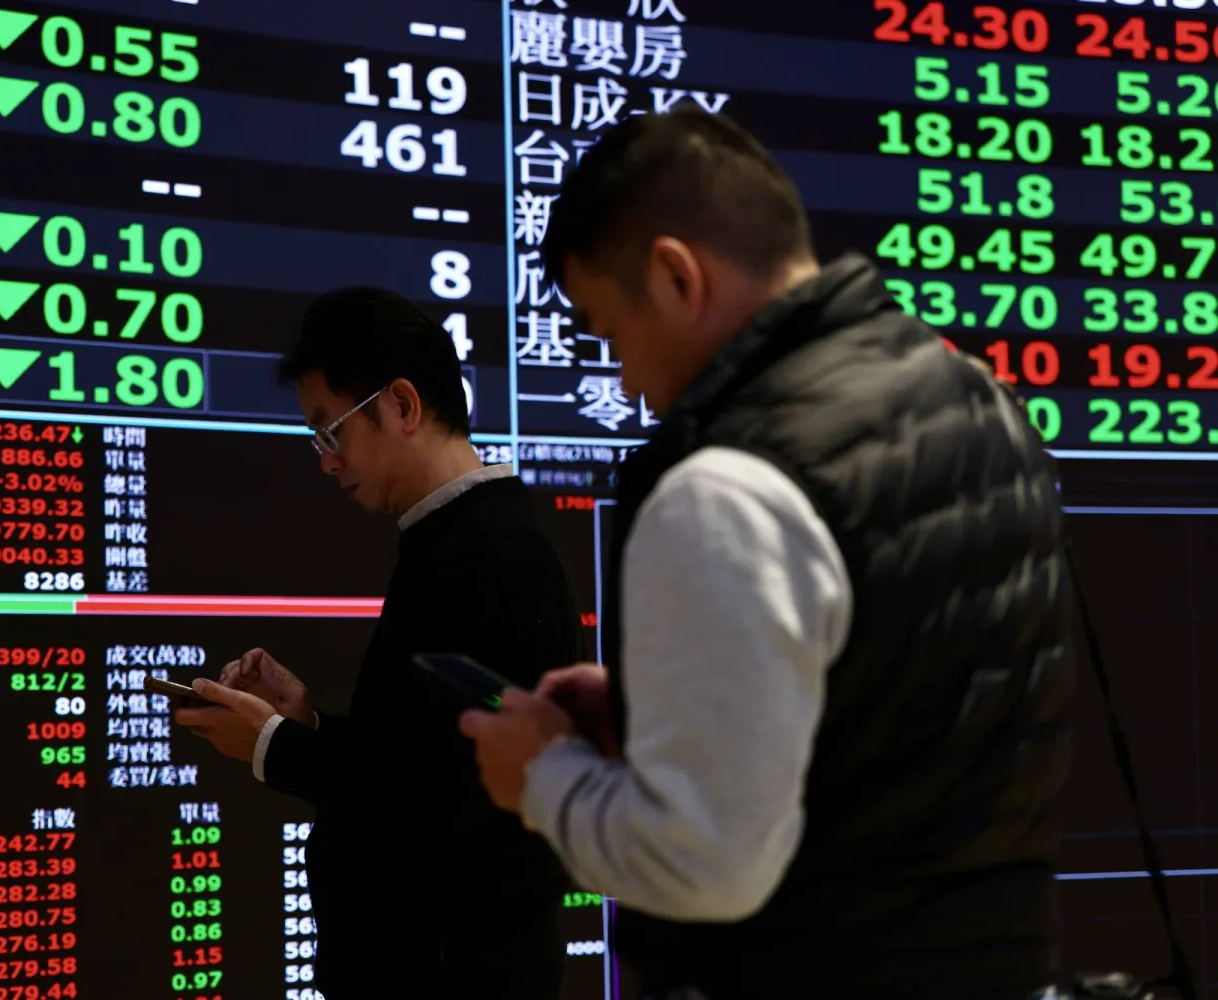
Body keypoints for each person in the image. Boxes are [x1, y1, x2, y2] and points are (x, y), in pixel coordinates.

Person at [459, 106, 1075, 999]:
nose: (623, 380)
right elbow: (900, 719)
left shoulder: (726, 487)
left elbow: (702, 866)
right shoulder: (983, 403)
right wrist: (675, 704)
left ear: (676, 277)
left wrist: (543, 776)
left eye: (607, 333)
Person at [173, 287, 581, 999]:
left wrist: (275, 747)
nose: (326, 461)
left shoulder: (488, 556)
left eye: (330, 431)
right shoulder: (457, 541)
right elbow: (427, 751)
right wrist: (308, 725)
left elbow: (446, 804)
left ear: (401, 404)